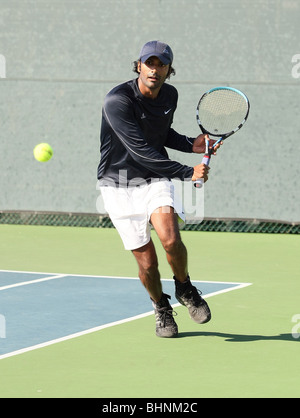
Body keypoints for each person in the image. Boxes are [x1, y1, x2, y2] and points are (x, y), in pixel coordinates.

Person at [97, 40, 220, 337]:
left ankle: (185, 287)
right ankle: (160, 307)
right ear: (139, 65)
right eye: (149, 63)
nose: (154, 69)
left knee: (170, 239)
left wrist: (191, 144)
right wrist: (187, 172)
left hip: (154, 179)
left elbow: (160, 135)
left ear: (168, 69)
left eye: (160, 64)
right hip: (119, 185)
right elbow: (140, 150)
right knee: (148, 263)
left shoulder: (170, 96)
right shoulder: (118, 101)